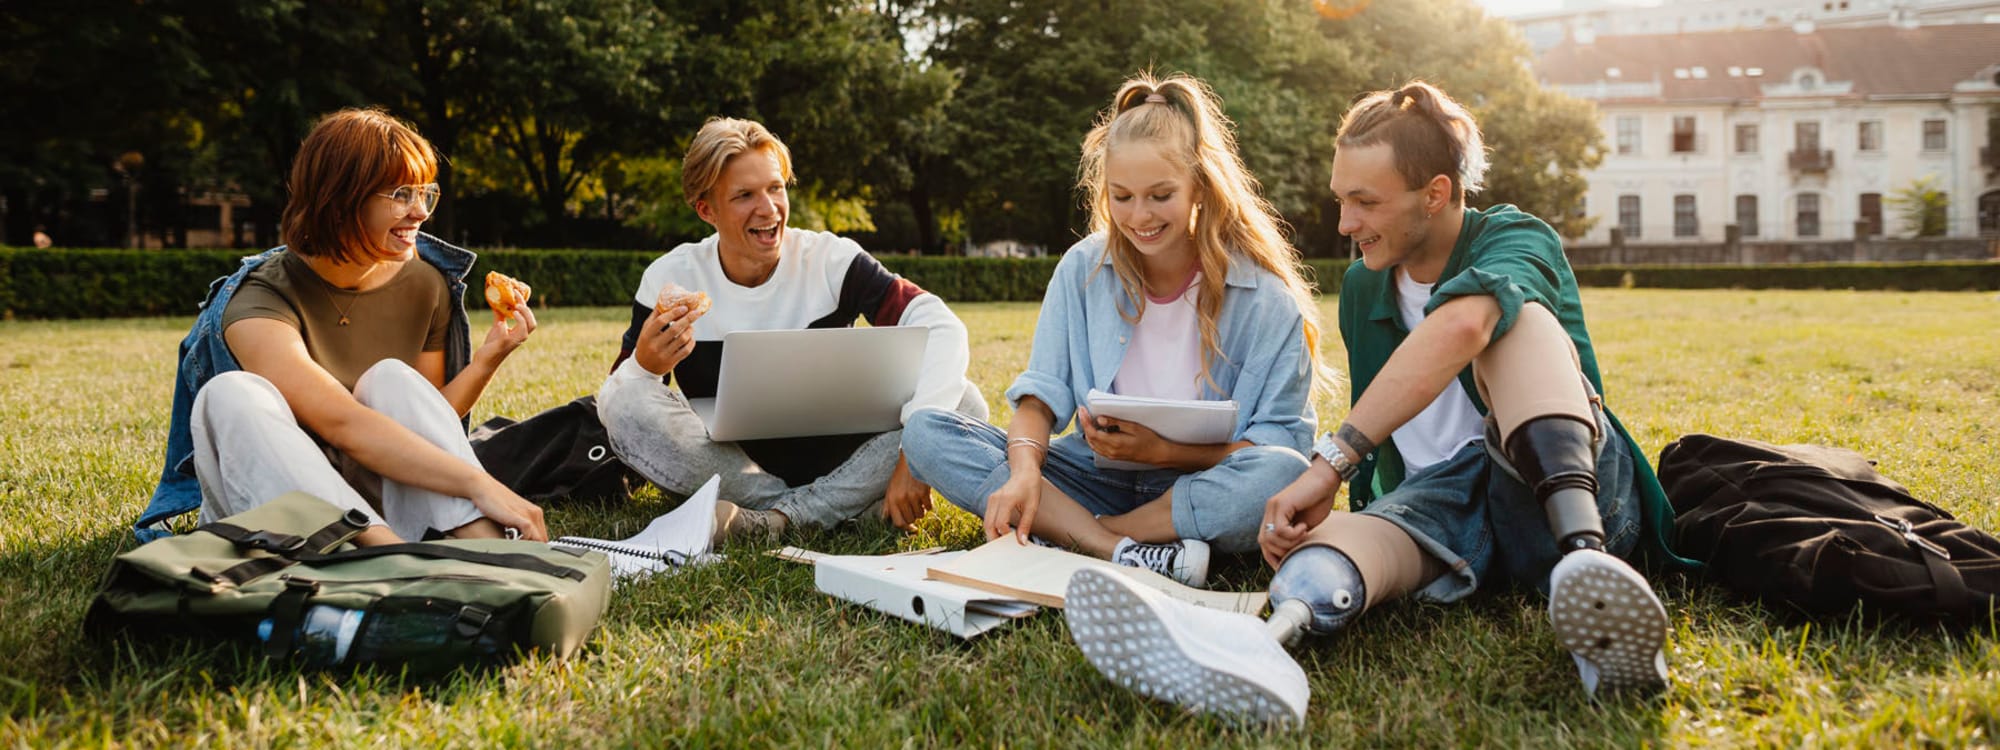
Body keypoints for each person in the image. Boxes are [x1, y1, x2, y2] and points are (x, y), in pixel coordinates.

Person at [1062, 81, 1690, 725]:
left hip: (1559, 494)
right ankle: (1255, 644)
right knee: (1324, 550)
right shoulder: (1364, 286)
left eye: (1365, 202)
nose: (1344, 223)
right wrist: (1329, 512)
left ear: (1435, 194)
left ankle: (1587, 568)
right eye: (1341, 200)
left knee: (1516, 319)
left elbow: (1463, 329)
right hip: (1441, 511)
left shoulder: (1514, 237)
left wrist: (1330, 462)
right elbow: (1392, 442)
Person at [901, 73, 1333, 587]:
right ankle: (1121, 551)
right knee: (927, 431)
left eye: (1160, 195)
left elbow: (1277, 444)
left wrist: (1164, 453)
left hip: (1202, 485)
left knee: (1285, 472)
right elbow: (1041, 396)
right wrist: (1023, 475)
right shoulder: (1083, 268)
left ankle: (1082, 537)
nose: (1139, 216)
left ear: (1200, 184)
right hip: (1091, 476)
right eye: (1122, 196)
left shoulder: (1265, 298)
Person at [135, 108, 547, 545]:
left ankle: (479, 541)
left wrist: (489, 357)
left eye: (426, 192)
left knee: (391, 379)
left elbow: (429, 417)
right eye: (401, 194)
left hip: (381, 495)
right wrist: (480, 483)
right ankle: (386, 556)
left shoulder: (426, 283)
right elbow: (341, 422)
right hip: (281, 511)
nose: (420, 211)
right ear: (340, 200)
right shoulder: (256, 300)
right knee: (229, 394)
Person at [597, 117, 985, 544]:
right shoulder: (670, 278)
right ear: (706, 209)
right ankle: (839, 510)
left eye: (776, 187)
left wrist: (915, 452)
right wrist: (645, 367)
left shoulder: (831, 260)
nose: (769, 208)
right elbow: (622, 403)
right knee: (625, 400)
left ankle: (778, 522)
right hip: (737, 471)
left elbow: (940, 324)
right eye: (745, 195)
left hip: (844, 458)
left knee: (965, 403)